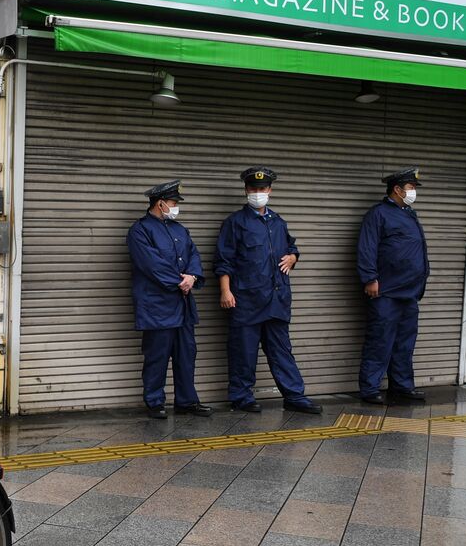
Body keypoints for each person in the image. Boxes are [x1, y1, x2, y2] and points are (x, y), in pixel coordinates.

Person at [215, 167, 322, 415]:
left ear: (270, 190)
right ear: (246, 190)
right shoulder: (235, 223)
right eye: (253, 188)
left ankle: (294, 396)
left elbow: (291, 246)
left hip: (276, 299)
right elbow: (223, 260)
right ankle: (241, 397)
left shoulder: (278, 222)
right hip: (246, 300)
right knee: (243, 352)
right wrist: (225, 291)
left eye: (262, 189)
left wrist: (293, 257)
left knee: (281, 351)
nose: (258, 193)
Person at [128, 179, 211, 419]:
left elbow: (193, 255)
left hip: (183, 305)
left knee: (187, 354)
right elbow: (151, 264)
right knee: (157, 355)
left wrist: (192, 277)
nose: (176, 207)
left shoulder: (180, 230)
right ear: (160, 203)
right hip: (157, 305)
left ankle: (187, 401)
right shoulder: (140, 230)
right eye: (173, 203)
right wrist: (180, 281)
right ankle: (154, 402)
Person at [356, 167, 430, 405]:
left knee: (404, 343)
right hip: (386, 291)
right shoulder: (378, 214)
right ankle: (370, 389)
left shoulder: (409, 214)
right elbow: (367, 247)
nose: (414, 191)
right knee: (380, 341)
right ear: (397, 189)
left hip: (410, 292)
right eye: (411, 187)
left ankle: (402, 386)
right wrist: (370, 278)